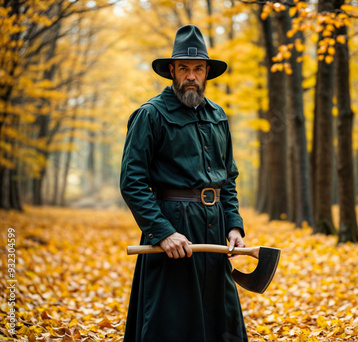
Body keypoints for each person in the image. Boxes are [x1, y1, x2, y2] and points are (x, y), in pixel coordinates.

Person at [120, 25, 248, 342]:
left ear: (206, 73)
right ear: (173, 72)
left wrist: (234, 225)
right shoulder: (151, 115)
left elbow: (228, 179)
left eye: (198, 69)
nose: (191, 76)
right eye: (184, 69)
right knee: (171, 322)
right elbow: (131, 182)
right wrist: (162, 232)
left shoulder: (218, 116)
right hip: (173, 229)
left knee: (220, 319)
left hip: (215, 227)